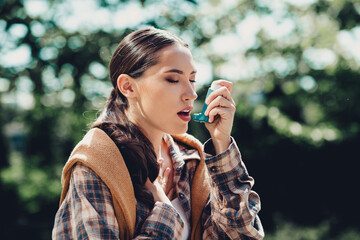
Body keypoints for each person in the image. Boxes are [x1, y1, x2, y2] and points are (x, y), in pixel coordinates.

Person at [52, 27, 264, 240]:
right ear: (128, 87)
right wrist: (165, 211)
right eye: (173, 79)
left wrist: (221, 143)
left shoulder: (191, 159)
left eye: (192, 80)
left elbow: (242, 235)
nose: (191, 94)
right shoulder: (95, 164)